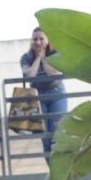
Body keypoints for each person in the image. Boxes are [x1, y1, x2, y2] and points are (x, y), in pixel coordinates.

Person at [20, 27, 68, 160]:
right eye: (35, 39)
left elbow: (54, 74)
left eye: (41, 39)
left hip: (56, 95)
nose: (38, 42)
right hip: (38, 97)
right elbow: (30, 76)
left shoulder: (55, 54)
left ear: (48, 40)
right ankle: (52, 168)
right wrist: (38, 58)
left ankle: (60, 166)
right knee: (45, 138)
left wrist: (44, 59)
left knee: (56, 135)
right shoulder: (26, 58)